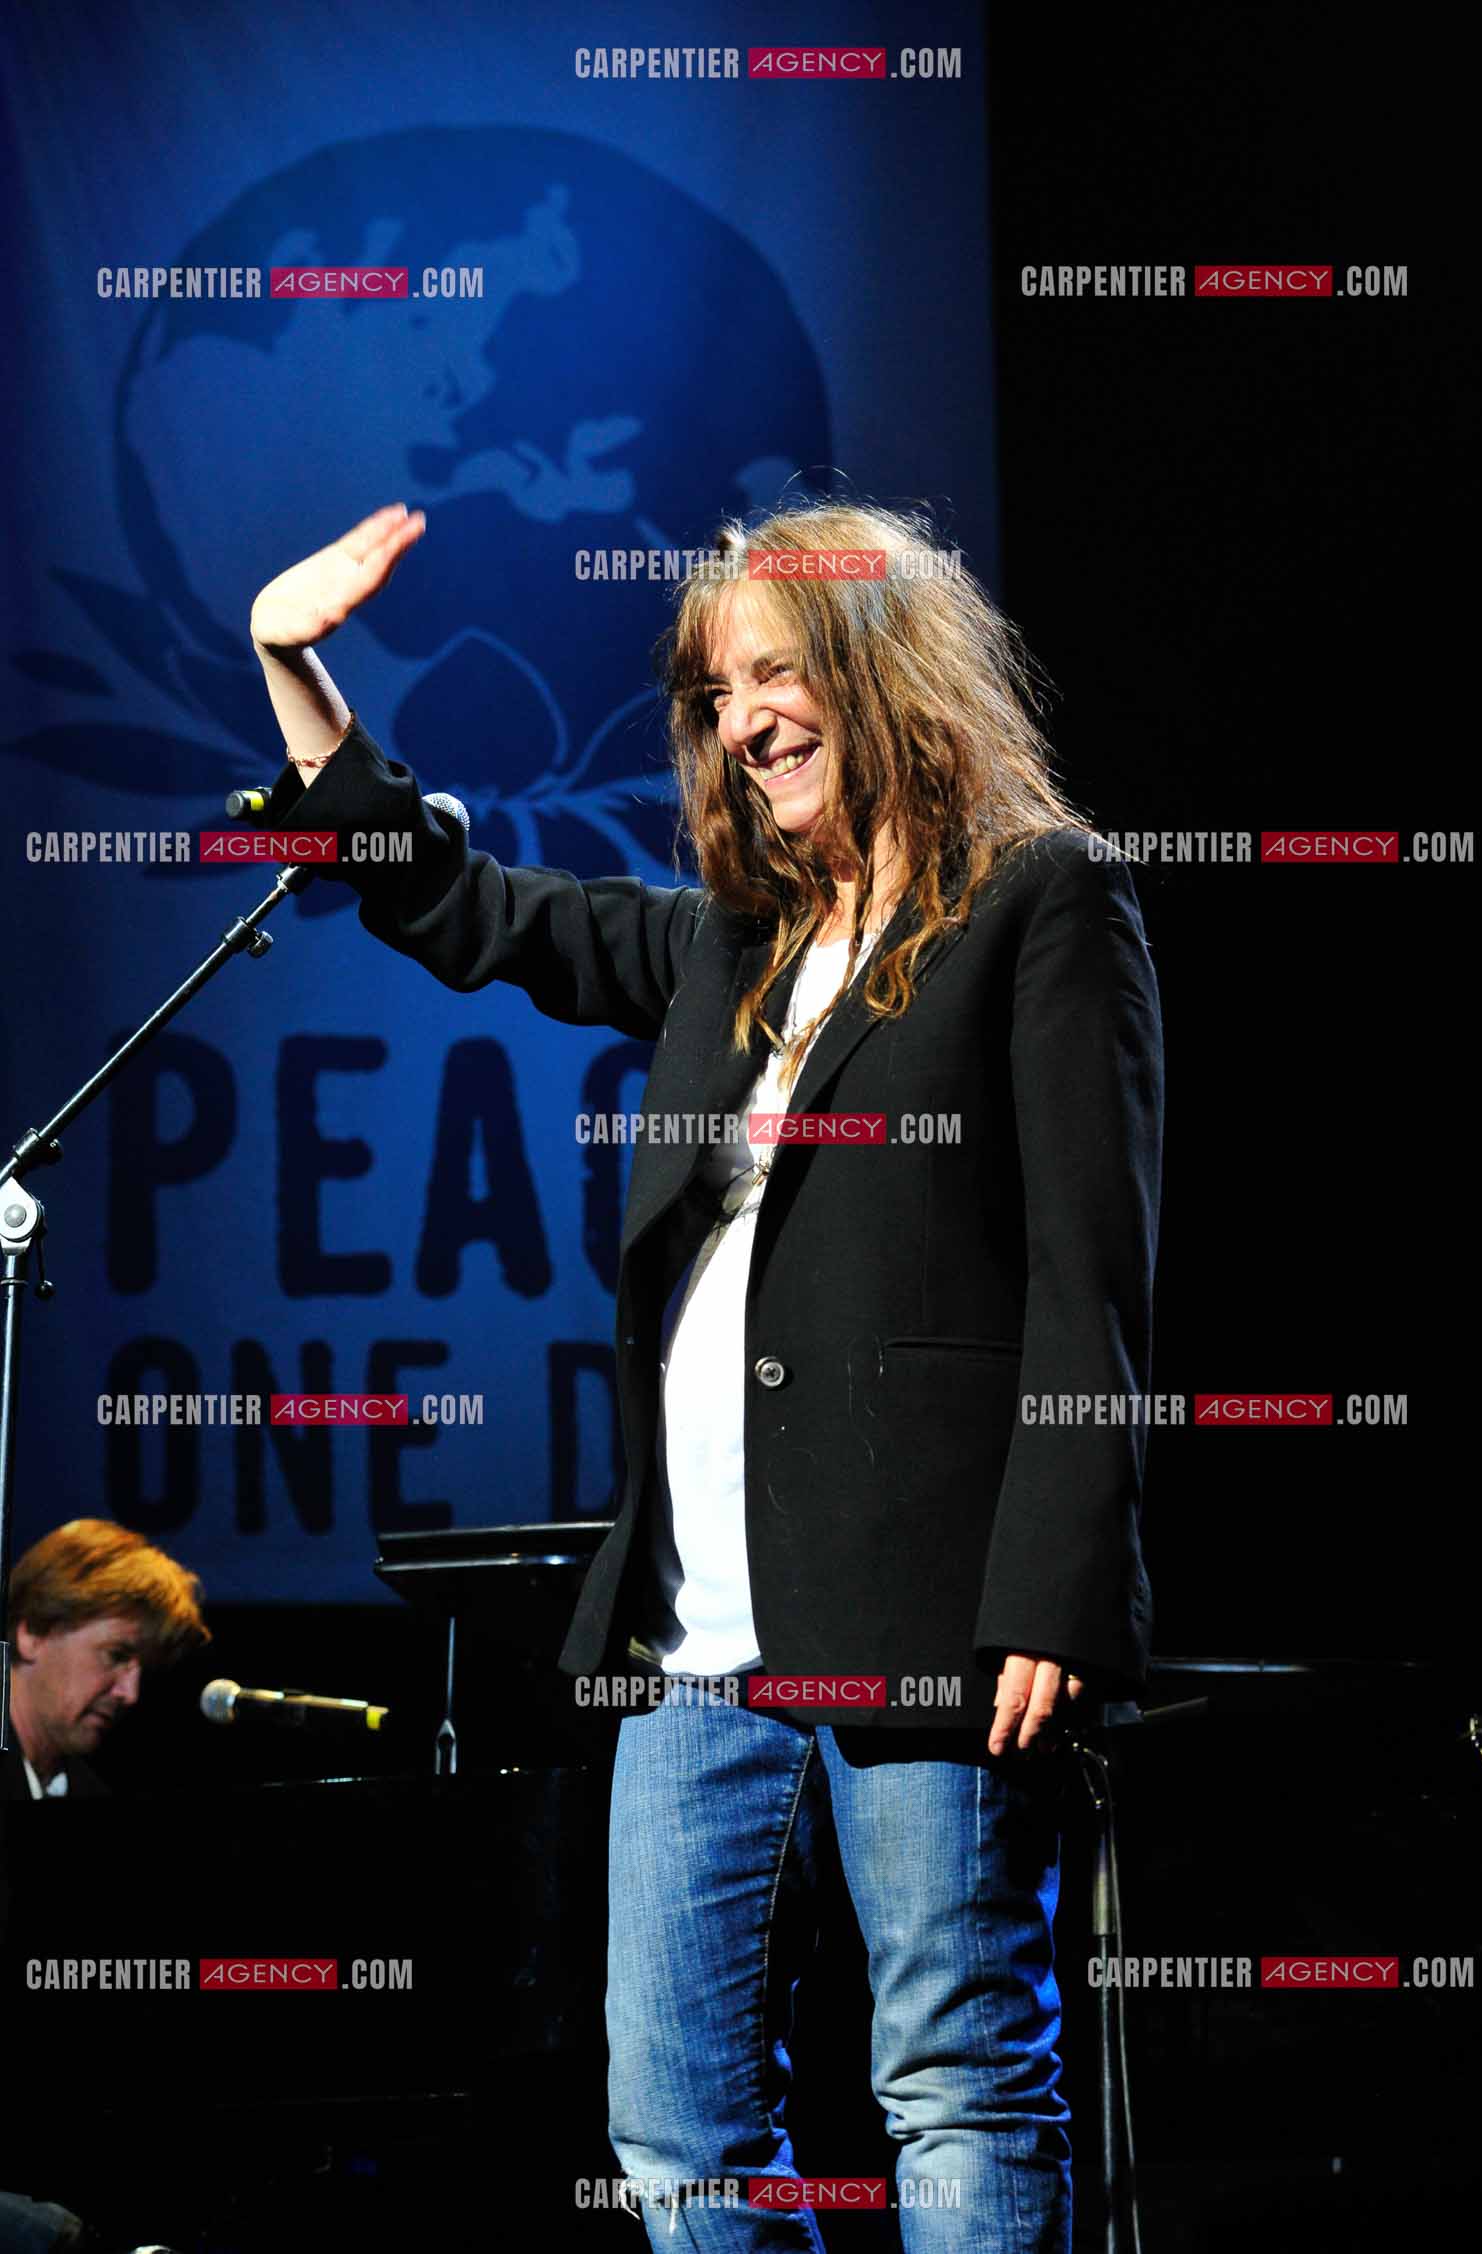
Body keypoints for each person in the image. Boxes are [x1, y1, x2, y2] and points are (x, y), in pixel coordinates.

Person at [245, 498, 1164, 2253]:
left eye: (773, 668)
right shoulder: (726, 950)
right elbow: (463, 905)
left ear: (879, 665)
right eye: (714, 688)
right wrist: (297, 670)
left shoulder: (1044, 903)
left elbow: (1092, 1280)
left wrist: (1058, 1583)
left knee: (956, 2079)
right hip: (686, 1644)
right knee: (674, 2129)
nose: (739, 717)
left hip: (928, 1607)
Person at [1, 1520, 210, 1800]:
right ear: (33, 1633)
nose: (130, 1694)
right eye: (116, 1655)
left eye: (144, 1669)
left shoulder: (92, 1794)